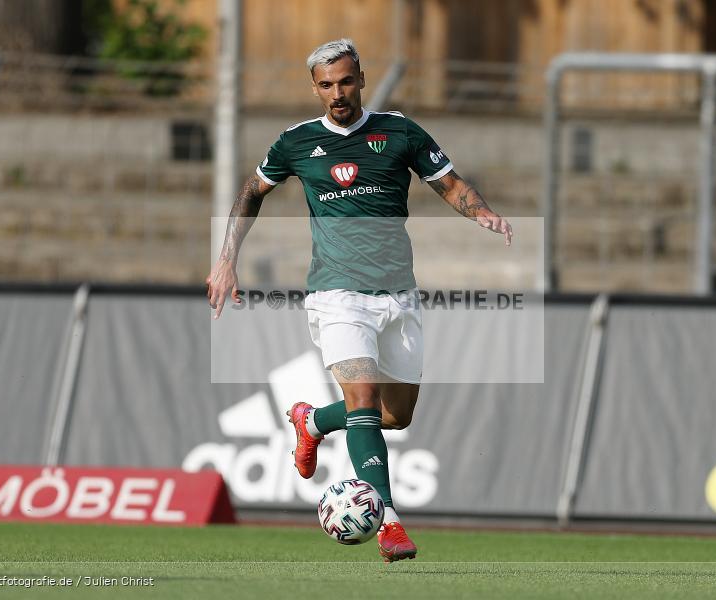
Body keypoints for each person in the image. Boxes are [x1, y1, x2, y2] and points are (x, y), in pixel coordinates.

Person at [207, 38, 512, 562]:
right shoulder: (296, 142)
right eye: (326, 85)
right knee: (365, 403)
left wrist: (481, 212)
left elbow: (451, 183)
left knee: (396, 417)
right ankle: (389, 521)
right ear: (315, 88)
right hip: (336, 292)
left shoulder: (399, 132)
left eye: (345, 81)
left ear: (362, 80)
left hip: (398, 294)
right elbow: (251, 192)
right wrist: (226, 258)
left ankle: (312, 421)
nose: (337, 93)